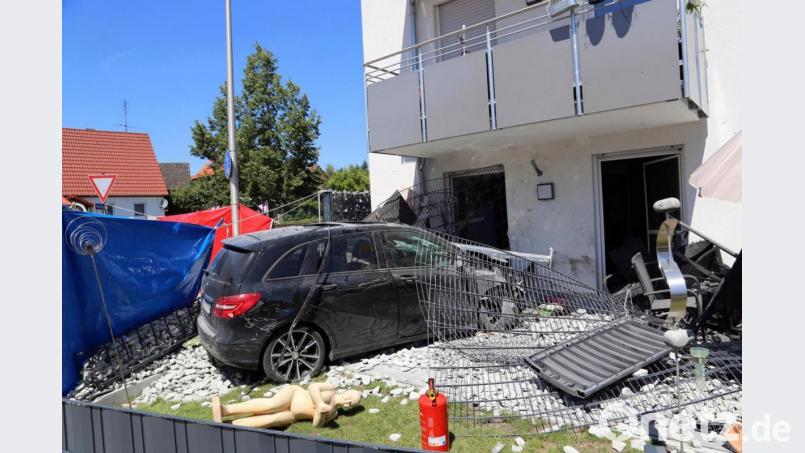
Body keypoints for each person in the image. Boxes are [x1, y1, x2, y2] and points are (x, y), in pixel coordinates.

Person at [211, 382, 361, 429]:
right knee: (271, 405)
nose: (348, 402)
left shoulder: (333, 414)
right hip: (293, 395)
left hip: (294, 415)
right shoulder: (331, 389)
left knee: (271, 420)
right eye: (350, 397)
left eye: (352, 403)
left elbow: (316, 426)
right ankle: (225, 409)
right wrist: (320, 402)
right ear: (346, 391)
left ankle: (232, 425)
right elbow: (312, 387)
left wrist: (320, 414)